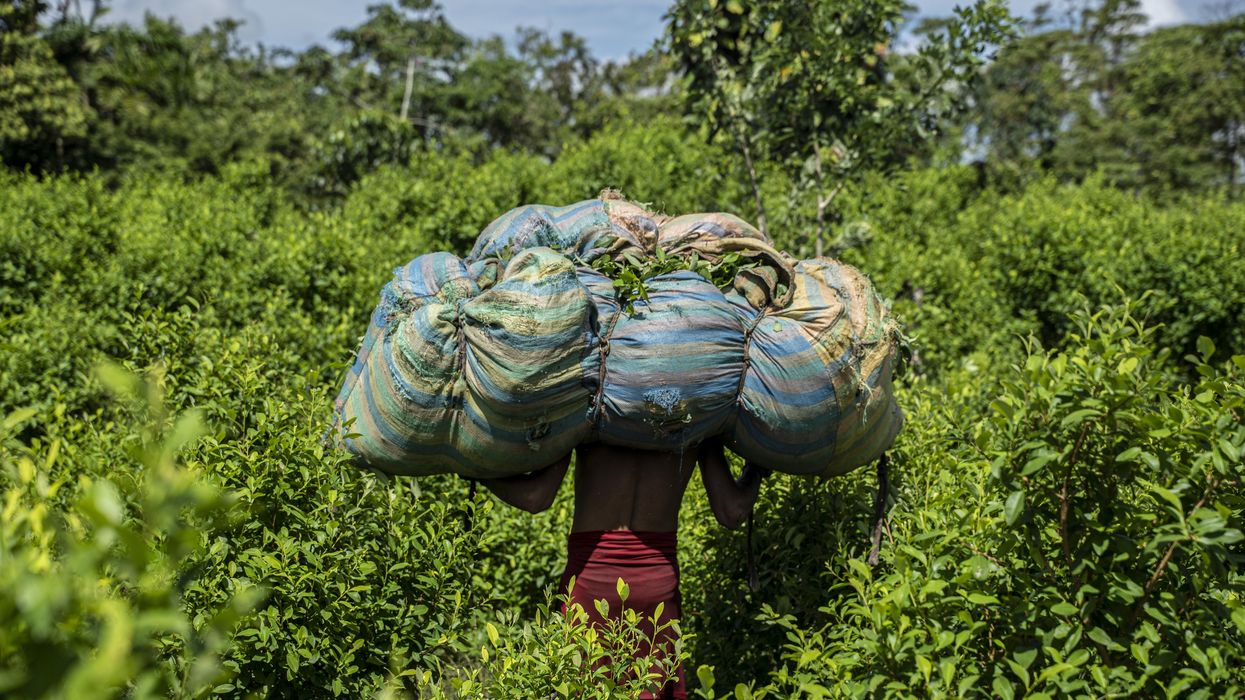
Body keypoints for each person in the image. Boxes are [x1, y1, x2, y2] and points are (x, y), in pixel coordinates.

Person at [477, 436, 766, 700]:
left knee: (578, 687)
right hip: (657, 593)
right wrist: (756, 468)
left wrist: (475, 471)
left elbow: (535, 497)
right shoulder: (696, 418)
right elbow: (732, 511)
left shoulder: (590, 411)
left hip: (589, 589)